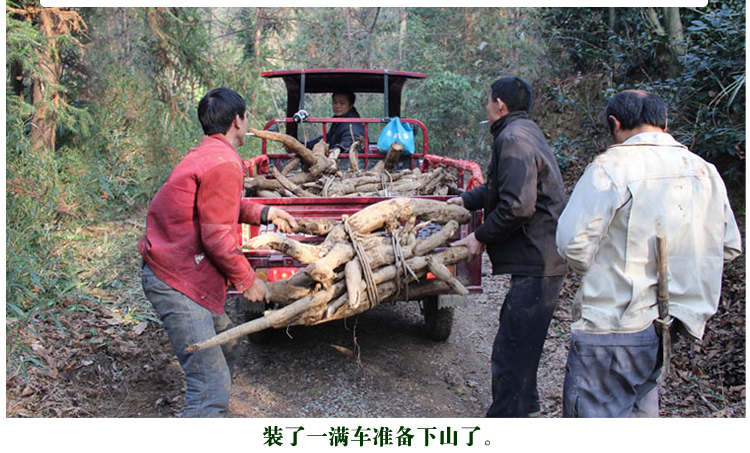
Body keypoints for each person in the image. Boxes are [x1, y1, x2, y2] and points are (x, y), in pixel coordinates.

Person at [556, 90, 742, 418]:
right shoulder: (704, 171)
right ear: (665, 123)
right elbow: (727, 246)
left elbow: (573, 245)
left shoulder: (611, 168)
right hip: (669, 326)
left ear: (614, 124)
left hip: (614, 325)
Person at [138, 87, 298, 417]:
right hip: (177, 279)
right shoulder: (225, 162)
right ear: (238, 121)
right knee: (209, 385)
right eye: (246, 115)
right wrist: (248, 280)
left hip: (180, 269)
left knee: (226, 343)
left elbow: (217, 205)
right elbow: (215, 237)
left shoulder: (207, 154)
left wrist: (264, 213)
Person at [449, 76, 568, 417]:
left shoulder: (513, 138)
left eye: (488, 102)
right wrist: (463, 201)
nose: (487, 109)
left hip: (539, 260)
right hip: (540, 258)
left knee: (510, 352)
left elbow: (517, 205)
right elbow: (499, 190)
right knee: (519, 344)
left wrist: (480, 236)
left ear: (499, 104)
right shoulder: (525, 131)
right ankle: (525, 409)